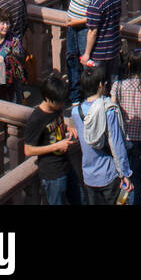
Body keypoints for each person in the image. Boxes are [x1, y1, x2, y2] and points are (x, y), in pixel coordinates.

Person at [71, 66, 132, 205]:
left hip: (89, 176)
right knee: (120, 201)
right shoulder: (108, 110)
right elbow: (117, 145)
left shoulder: (76, 112)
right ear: (100, 85)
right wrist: (125, 174)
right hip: (109, 174)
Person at [24, 71, 83, 206]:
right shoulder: (36, 118)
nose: (62, 105)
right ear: (47, 98)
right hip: (52, 173)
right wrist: (56, 146)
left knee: (80, 199)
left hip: (65, 165)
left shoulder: (56, 108)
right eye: (58, 102)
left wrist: (68, 128)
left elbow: (58, 124)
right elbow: (28, 150)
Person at [111, 48, 141, 206]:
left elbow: (112, 109)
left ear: (129, 65)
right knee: (137, 179)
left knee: (122, 177)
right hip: (140, 139)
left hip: (122, 138)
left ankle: (121, 201)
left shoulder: (118, 86)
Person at [65, 0, 100, 103]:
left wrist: (76, 21)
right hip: (71, 27)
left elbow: (96, 16)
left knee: (86, 63)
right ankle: (75, 97)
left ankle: (89, 97)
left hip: (83, 29)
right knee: (71, 59)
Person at [80, 0, 122, 85]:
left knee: (97, 86)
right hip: (114, 48)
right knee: (113, 85)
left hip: (100, 53)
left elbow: (93, 31)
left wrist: (86, 54)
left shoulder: (96, 2)